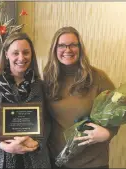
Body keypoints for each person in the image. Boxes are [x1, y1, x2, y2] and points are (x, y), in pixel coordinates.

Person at [43, 26, 119, 169]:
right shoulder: (49, 79)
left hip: (93, 162)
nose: (68, 50)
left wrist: (109, 133)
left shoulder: (98, 77)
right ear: (55, 49)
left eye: (73, 45)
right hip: (57, 161)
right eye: (62, 45)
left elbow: (117, 110)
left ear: (80, 48)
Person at [0, 32, 51, 169]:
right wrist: (2, 145)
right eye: (15, 53)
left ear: (31, 55)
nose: (21, 57)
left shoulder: (42, 87)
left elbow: (49, 122)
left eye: (26, 52)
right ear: (6, 55)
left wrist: (38, 143)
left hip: (36, 160)